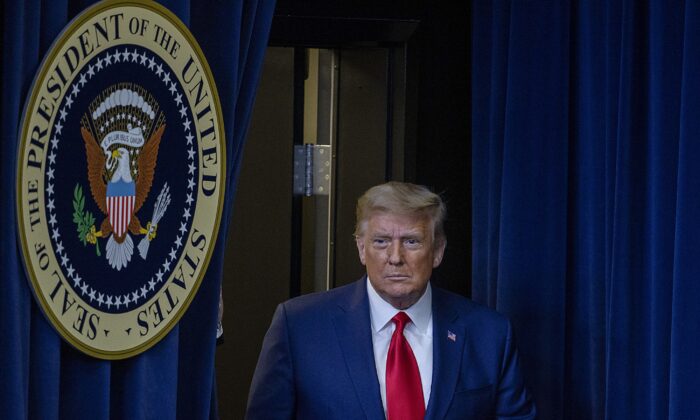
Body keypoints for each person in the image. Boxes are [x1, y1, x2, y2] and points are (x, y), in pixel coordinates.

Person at [246, 181, 536, 419]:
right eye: (381, 241)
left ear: (437, 251)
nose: (395, 258)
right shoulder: (299, 327)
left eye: (411, 241)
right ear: (361, 249)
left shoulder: (489, 334)